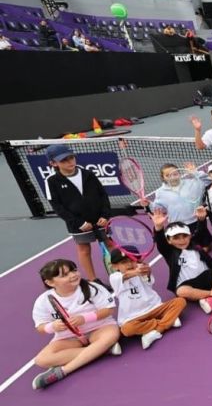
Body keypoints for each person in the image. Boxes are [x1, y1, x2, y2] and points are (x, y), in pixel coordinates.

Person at [31, 260, 120, 390]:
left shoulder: (92, 288)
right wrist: (52, 327)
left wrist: (84, 318)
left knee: (111, 335)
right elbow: (40, 327)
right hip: (69, 338)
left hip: (100, 328)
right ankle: (102, 350)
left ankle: (64, 371)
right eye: (64, 275)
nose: (73, 275)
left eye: (74, 270)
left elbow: (109, 309)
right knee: (41, 359)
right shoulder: (43, 301)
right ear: (50, 282)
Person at [44, 145, 111, 285]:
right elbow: (57, 207)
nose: (70, 162)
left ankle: (121, 273)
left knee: (110, 244)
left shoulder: (88, 174)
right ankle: (93, 280)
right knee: (84, 249)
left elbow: (103, 195)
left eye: (71, 158)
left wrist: (105, 215)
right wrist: (78, 223)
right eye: (64, 160)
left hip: (100, 219)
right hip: (78, 224)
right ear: (53, 163)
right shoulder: (51, 181)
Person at [152, 210, 212, 313]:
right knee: (181, 291)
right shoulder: (169, 252)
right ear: (169, 240)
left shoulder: (194, 243)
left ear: (190, 236)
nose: (182, 240)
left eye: (185, 236)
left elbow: (200, 230)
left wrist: (201, 219)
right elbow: (160, 242)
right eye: (176, 238)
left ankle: (211, 297)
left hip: (206, 276)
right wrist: (158, 228)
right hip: (189, 284)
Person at [108, 247, 186, 350]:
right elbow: (127, 275)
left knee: (180, 301)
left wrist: (147, 272)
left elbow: (148, 281)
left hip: (155, 307)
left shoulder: (143, 270)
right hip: (133, 317)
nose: (130, 264)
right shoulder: (114, 277)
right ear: (115, 266)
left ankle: (155, 331)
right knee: (127, 330)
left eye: (132, 260)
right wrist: (138, 271)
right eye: (124, 262)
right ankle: (167, 322)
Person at [151, 163, 212, 250]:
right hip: (177, 225)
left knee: (205, 249)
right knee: (185, 249)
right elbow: (158, 209)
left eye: (175, 174)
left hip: (196, 221)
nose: (172, 177)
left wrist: (195, 173)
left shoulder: (192, 183)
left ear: (179, 173)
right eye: (168, 175)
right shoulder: (160, 192)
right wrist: (147, 205)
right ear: (163, 177)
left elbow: (210, 180)